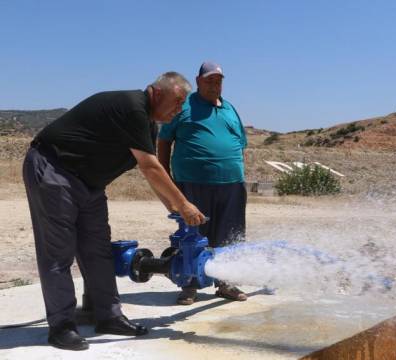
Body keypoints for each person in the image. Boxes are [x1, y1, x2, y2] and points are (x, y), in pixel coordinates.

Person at [23, 72, 206, 351]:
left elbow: (151, 173)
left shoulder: (148, 125)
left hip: (90, 184)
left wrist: (173, 208)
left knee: (97, 251)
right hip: (54, 169)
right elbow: (150, 166)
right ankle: (61, 326)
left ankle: (108, 316)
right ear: (156, 93)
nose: (179, 109)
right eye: (178, 101)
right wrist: (184, 204)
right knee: (58, 253)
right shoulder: (132, 107)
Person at [158, 61, 248, 305]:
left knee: (230, 236)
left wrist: (239, 173)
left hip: (231, 185)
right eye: (209, 80)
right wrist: (165, 178)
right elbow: (164, 140)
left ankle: (226, 282)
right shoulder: (184, 106)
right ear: (198, 81)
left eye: (218, 80)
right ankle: (190, 284)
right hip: (192, 183)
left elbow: (241, 145)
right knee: (194, 233)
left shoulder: (230, 109)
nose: (214, 84)